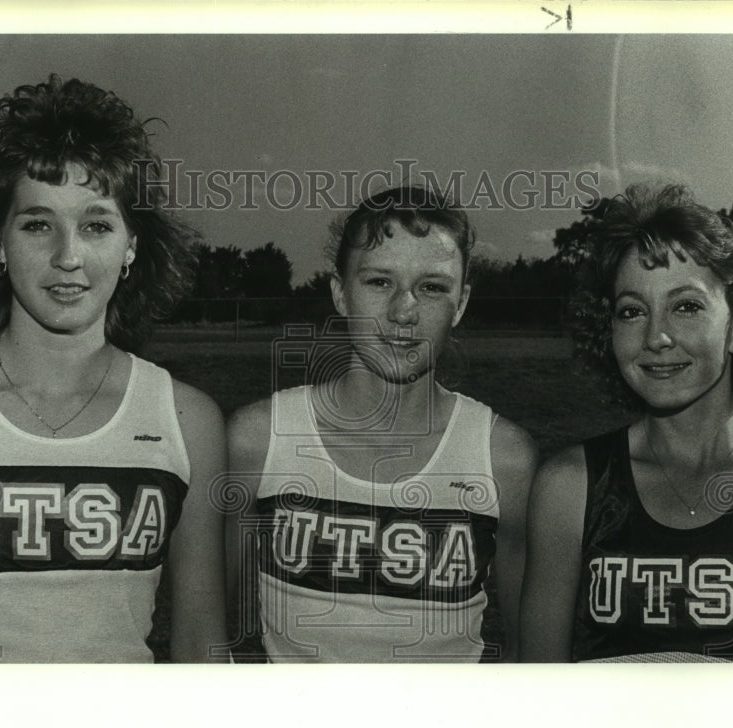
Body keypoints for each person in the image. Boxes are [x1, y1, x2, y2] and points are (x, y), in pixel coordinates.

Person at [0, 75, 227, 664]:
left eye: (97, 224)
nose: (68, 256)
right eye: (37, 224)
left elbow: (201, 646)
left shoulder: (187, 420)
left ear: (132, 246)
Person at [519, 184, 733, 662]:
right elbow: (535, 703)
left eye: (686, 306)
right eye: (632, 312)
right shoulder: (570, 487)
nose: (656, 336)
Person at [225, 185, 538, 662]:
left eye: (431, 287)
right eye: (379, 282)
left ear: (462, 303)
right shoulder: (259, 439)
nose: (402, 312)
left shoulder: (503, 458)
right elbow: (214, 631)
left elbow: (527, 659)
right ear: (340, 293)